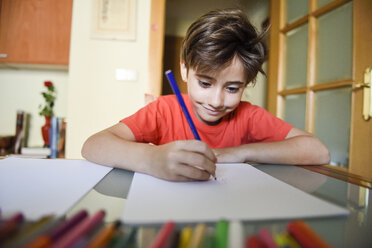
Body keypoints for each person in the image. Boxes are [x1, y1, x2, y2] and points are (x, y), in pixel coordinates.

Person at [82, 8, 330, 182]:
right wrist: (152, 159)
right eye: (205, 83)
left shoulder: (248, 115)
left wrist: (240, 152)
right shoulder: (163, 110)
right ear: (184, 69)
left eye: (232, 88)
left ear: (246, 83)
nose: (216, 101)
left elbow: (318, 151)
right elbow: (93, 145)